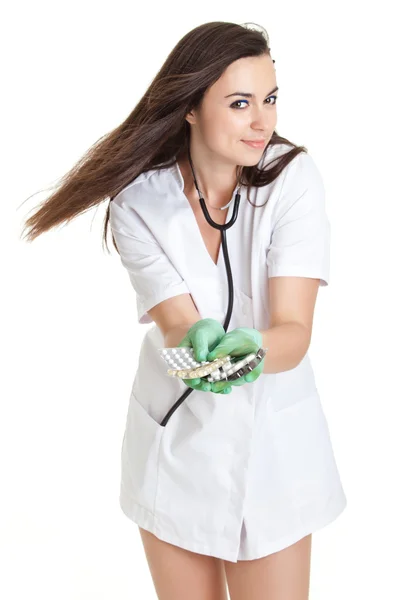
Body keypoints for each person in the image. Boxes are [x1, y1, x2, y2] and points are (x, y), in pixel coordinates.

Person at [20, 21, 347, 600]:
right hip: (177, 441)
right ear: (190, 106)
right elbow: (177, 321)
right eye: (240, 103)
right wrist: (195, 336)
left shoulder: (293, 180)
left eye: (270, 100)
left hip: (273, 450)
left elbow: (294, 332)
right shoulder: (139, 200)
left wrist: (250, 351)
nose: (263, 122)